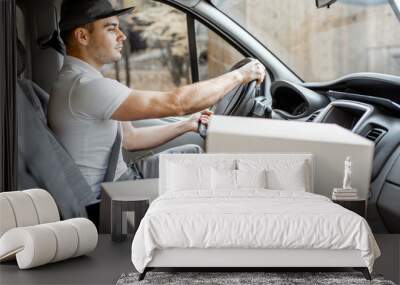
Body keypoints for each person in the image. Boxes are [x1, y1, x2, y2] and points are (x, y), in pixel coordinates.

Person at [48, 0, 266, 197]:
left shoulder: (81, 81)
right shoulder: (87, 87)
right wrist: (241, 75)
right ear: (83, 36)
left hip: (121, 179)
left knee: (196, 157)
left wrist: (187, 125)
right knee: (211, 177)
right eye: (111, 28)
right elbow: (177, 103)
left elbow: (130, 139)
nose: (122, 35)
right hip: (113, 197)